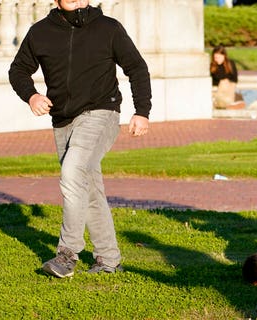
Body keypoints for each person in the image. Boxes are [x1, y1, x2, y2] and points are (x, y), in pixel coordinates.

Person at [8, 0, 152, 278]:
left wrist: (142, 111)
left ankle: (67, 253)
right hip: (62, 120)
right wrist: (32, 95)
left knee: (72, 171)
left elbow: (136, 67)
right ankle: (109, 260)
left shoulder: (108, 28)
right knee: (87, 185)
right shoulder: (40, 32)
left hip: (102, 112)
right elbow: (18, 70)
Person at [210, 45, 257, 110]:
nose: (217, 59)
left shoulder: (230, 63)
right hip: (220, 91)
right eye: (216, 57)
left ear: (224, 56)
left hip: (231, 89)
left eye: (219, 57)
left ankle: (240, 105)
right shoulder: (213, 66)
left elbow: (235, 79)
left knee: (254, 92)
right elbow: (215, 80)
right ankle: (235, 104)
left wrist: (225, 79)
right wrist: (225, 79)